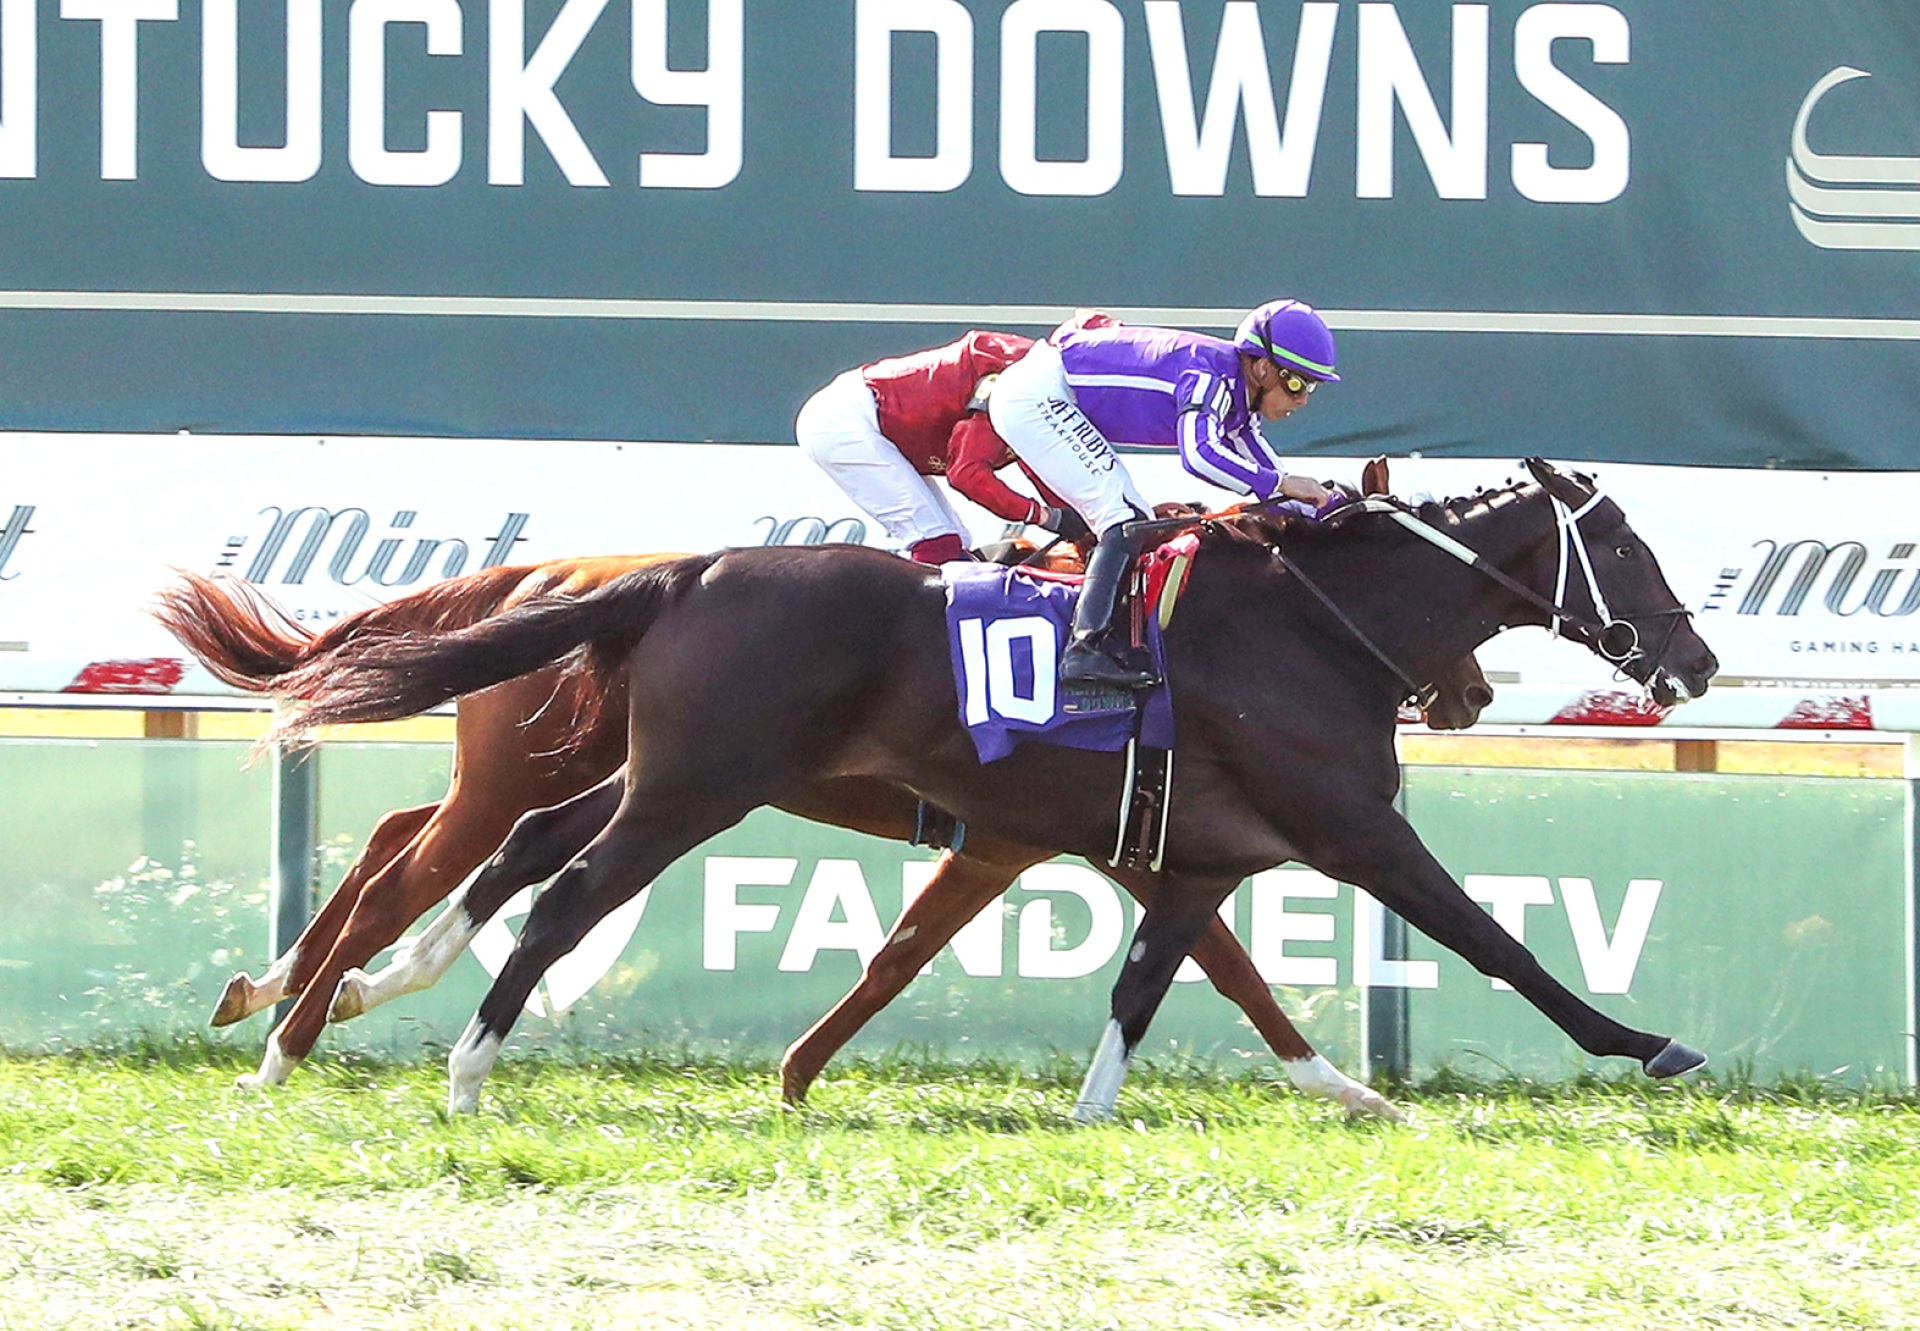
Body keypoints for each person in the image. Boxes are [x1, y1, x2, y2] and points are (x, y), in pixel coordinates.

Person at [987, 298, 1339, 690]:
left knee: (1130, 518)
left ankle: (1099, 641)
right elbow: (1200, 456)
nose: (1303, 399)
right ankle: (1084, 651)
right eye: (1296, 383)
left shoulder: (1239, 403)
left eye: (1312, 387)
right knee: (1125, 519)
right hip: (1037, 398)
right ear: (1261, 367)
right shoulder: (1211, 378)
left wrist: (1332, 508)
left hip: (1044, 393)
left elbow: (1274, 478)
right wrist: (1282, 486)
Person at [795, 321, 1104, 565]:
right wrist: (1047, 517)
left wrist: (1089, 523)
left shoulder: (1048, 380)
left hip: (869, 419)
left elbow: (1046, 468)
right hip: (846, 421)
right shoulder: (1020, 378)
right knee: (938, 546)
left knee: (959, 549)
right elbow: (966, 474)